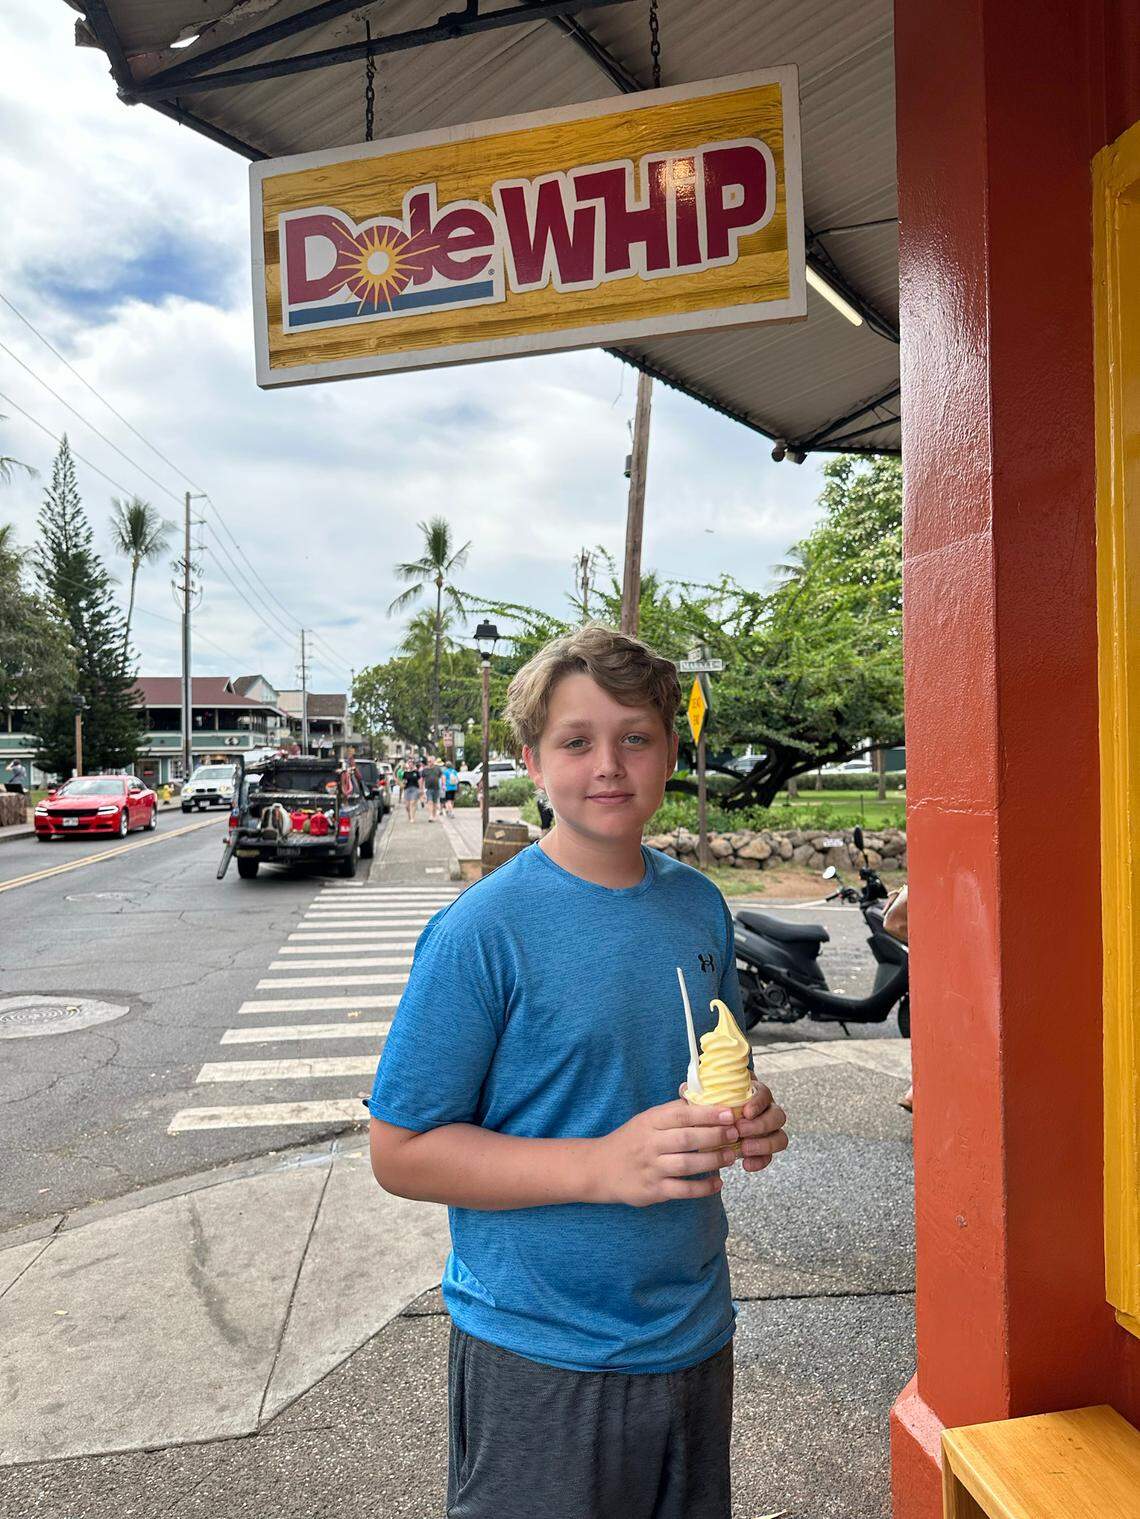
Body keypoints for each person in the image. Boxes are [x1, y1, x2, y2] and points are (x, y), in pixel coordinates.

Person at [367, 623, 789, 1519]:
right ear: (531, 760)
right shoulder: (483, 931)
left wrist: (749, 1114)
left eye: (635, 737)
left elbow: (712, 1063)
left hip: (693, 1330)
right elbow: (399, 1150)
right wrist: (600, 1165)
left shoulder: (699, 906)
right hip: (539, 1350)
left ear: (671, 751)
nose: (609, 765)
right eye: (575, 741)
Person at [422, 755, 442, 821]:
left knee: (435, 803)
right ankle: (430, 815)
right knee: (430, 801)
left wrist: (443, 785)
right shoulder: (425, 770)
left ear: (433, 761)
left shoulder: (437, 768)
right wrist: (421, 789)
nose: (429, 762)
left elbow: (442, 776)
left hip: (436, 788)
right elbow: (422, 779)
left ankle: (434, 815)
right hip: (428, 788)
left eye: (430, 761)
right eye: (428, 761)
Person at [401, 758, 421, 823]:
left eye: (411, 763)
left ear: (413, 764)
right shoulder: (405, 772)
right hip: (407, 789)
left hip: (415, 788)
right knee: (407, 806)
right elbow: (403, 781)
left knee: (413, 803)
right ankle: (409, 816)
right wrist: (404, 782)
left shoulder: (416, 772)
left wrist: (421, 789)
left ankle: (412, 818)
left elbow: (419, 780)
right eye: (409, 763)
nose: (410, 764)